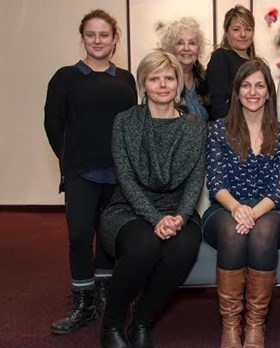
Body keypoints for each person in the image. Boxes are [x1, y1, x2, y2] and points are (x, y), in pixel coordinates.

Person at [98, 50, 205, 348]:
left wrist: (181, 217)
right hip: (129, 208)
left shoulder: (194, 126)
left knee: (184, 246)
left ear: (178, 84)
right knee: (145, 245)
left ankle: (142, 322)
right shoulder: (124, 122)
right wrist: (156, 219)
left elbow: (195, 179)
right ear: (143, 84)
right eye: (154, 78)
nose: (162, 84)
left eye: (169, 78)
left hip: (178, 209)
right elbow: (127, 180)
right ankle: (111, 324)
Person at [44, 9, 137, 335]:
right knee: (80, 235)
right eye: (91, 35)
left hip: (119, 172)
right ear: (83, 38)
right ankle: (82, 303)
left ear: (115, 39)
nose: (98, 40)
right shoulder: (66, 77)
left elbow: (132, 126)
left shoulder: (126, 79)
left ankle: (104, 296)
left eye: (104, 35)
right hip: (81, 172)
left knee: (109, 238)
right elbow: (53, 125)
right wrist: (70, 160)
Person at [202, 59, 280, 348]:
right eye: (246, 85)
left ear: (269, 92)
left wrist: (251, 214)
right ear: (237, 91)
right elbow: (216, 183)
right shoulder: (218, 130)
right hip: (224, 207)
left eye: (259, 85)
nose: (253, 92)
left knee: (262, 232)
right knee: (231, 230)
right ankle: (231, 327)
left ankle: (255, 326)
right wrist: (236, 209)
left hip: (271, 210)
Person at [206, 5, 256, 120]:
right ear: (226, 32)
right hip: (230, 129)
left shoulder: (258, 64)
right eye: (236, 29)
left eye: (248, 29)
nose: (243, 34)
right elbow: (218, 103)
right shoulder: (220, 57)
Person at [160, 17, 210, 122]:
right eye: (180, 43)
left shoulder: (207, 80)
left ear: (198, 48)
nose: (186, 48)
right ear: (171, 48)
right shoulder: (162, 82)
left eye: (192, 43)